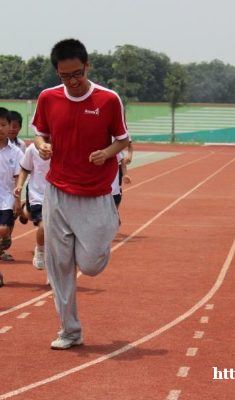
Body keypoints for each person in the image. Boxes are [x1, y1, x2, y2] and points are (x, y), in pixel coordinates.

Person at [32, 39, 129, 350]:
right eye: (64, 76)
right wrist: (41, 145)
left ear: (87, 66)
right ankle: (69, 331)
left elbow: (122, 140)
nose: (72, 82)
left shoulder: (108, 99)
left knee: (89, 265)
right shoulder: (48, 98)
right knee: (58, 267)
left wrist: (107, 153)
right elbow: (39, 133)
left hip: (96, 194)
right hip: (58, 191)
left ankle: (107, 226)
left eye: (76, 74)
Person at [14, 143, 50, 271]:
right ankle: (40, 250)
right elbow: (24, 168)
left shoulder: (65, 145)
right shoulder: (33, 149)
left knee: (58, 236)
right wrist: (19, 186)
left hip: (59, 195)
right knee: (44, 226)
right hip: (38, 194)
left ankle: (25, 211)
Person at [0, 107, 23, 284]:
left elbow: (18, 177)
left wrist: (17, 200)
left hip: (7, 198)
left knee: (3, 230)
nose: (0, 128)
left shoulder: (15, 152)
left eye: (3, 125)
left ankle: (6, 237)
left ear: (10, 128)